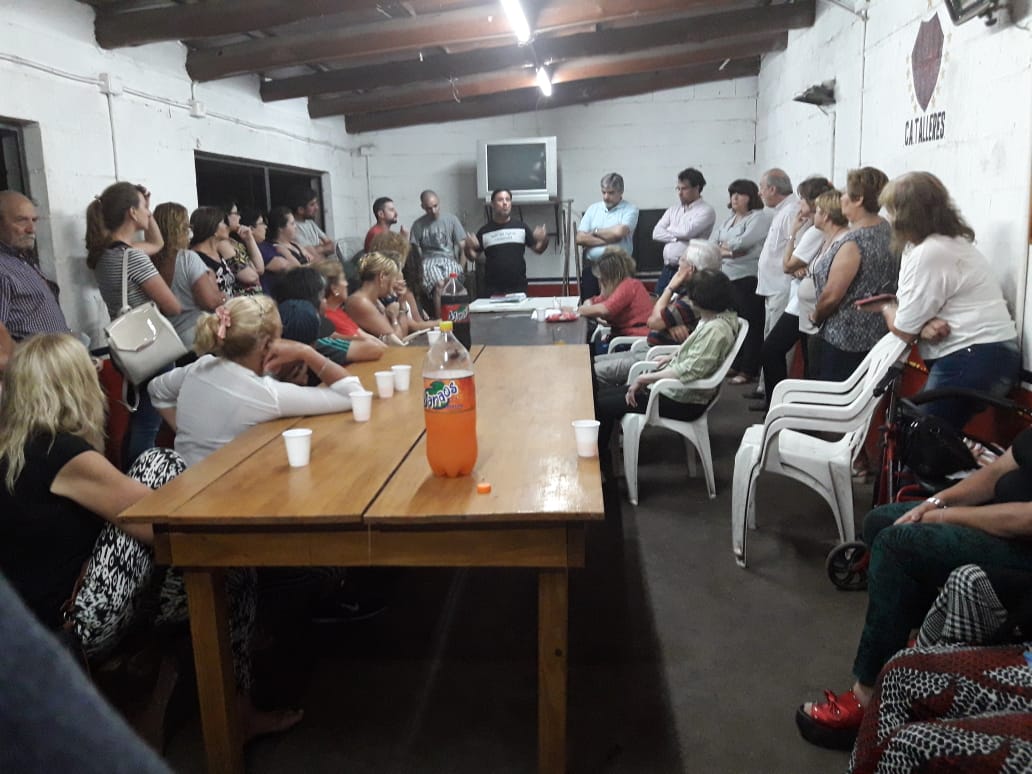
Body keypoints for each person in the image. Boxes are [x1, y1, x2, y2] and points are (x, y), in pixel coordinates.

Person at [0, 333, 300, 740]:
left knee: (213, 565)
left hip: (38, 619)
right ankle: (235, 713)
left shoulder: (16, 449)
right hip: (77, 622)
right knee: (164, 468)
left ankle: (170, 690)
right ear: (74, 385)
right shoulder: (61, 452)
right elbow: (157, 524)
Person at [796, 427, 1032, 751]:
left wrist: (947, 517)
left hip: (1023, 547)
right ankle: (919, 651)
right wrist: (937, 502)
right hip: (999, 522)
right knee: (880, 523)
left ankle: (869, 698)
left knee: (897, 546)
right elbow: (996, 471)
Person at [864, 171, 1019, 430]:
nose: (888, 218)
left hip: (974, 357)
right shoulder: (940, 244)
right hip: (985, 356)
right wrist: (922, 326)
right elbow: (917, 314)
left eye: (891, 210)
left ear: (906, 214)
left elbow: (903, 327)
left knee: (920, 437)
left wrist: (887, 307)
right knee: (923, 433)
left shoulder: (930, 251)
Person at [149, 295, 364, 467]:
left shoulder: (200, 366)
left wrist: (187, 433)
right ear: (266, 345)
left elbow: (156, 389)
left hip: (187, 484)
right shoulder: (264, 393)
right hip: (226, 496)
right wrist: (306, 352)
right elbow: (354, 395)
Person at [594, 269, 739, 466]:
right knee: (602, 399)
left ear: (703, 300)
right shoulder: (719, 319)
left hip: (682, 401)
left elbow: (691, 369)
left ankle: (601, 463)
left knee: (600, 405)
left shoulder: (716, 330)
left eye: (693, 297)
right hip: (676, 392)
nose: (691, 301)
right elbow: (699, 354)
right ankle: (605, 458)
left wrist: (645, 378)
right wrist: (672, 355)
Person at [87, 182, 181, 468]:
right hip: (149, 344)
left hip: (124, 346)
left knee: (139, 417)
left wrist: (146, 209)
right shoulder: (134, 257)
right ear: (131, 212)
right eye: (144, 208)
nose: (149, 213)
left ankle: (132, 470)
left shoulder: (105, 255)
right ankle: (141, 476)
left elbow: (157, 244)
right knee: (148, 423)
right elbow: (172, 306)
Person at [593, 239, 721, 387]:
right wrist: (669, 323)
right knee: (590, 364)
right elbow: (657, 318)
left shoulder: (693, 301)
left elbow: (653, 321)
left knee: (592, 373)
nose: (678, 263)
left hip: (658, 357)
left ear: (690, 269)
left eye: (682, 259)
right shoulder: (688, 292)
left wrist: (670, 287)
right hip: (648, 349)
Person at [754, 176, 834, 409]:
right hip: (801, 298)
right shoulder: (815, 228)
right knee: (807, 359)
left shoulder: (815, 231)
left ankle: (777, 405)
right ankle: (783, 405)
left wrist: (792, 233)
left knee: (772, 349)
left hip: (804, 304)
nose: (799, 205)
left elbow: (787, 264)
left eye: (802, 200)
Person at [810, 167, 894, 382]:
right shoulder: (888, 230)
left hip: (844, 340)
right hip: (878, 334)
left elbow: (832, 296)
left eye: (846, 193)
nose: (842, 197)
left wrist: (816, 316)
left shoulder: (854, 242)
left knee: (833, 395)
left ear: (859, 199)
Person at [0, 190, 69, 371]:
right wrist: (34, 367)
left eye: (34, 220)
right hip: (37, 375)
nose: (31, 229)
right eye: (21, 220)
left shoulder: (21, 259)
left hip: (57, 368)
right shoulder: (2, 268)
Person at [714, 179, 772, 385]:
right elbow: (715, 242)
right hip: (728, 278)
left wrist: (727, 248)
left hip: (748, 278)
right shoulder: (729, 220)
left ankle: (749, 369)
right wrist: (729, 251)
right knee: (736, 324)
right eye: (733, 194)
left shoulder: (758, 217)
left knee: (751, 324)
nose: (735, 198)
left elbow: (743, 243)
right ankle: (737, 363)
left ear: (751, 197)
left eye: (740, 194)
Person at [749, 168, 799, 399]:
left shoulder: (792, 211)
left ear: (772, 188)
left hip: (783, 285)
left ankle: (777, 396)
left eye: (761, 188)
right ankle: (765, 388)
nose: (759, 193)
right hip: (772, 285)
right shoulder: (781, 211)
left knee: (776, 346)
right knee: (768, 338)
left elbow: (795, 249)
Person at [279, 264, 386, 364]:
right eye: (322, 296)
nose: (325, 301)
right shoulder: (318, 339)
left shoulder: (283, 326)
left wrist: (338, 337)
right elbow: (374, 349)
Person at [152, 202, 223, 350]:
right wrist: (223, 297)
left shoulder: (148, 261)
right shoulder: (187, 258)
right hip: (197, 336)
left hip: (168, 341)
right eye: (186, 226)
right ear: (180, 229)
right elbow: (209, 302)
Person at [795, 189, 851, 376]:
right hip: (811, 320)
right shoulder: (827, 238)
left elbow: (835, 287)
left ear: (826, 216)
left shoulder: (843, 240)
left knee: (818, 373)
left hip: (822, 322)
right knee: (811, 369)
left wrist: (818, 315)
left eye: (817, 211)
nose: (814, 214)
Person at [464, 188, 548, 296]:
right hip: (492, 291)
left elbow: (539, 249)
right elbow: (472, 257)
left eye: (507, 199)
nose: (505, 203)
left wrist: (544, 239)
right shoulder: (484, 231)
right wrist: (468, 246)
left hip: (518, 288)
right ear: (493, 204)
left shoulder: (521, 227)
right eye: (500, 200)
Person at [651, 168, 716, 296]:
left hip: (690, 271)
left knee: (682, 305)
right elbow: (656, 233)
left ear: (697, 188)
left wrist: (669, 229)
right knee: (658, 300)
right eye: (678, 189)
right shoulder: (673, 210)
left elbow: (687, 232)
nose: (680, 193)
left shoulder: (706, 210)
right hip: (667, 269)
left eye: (684, 189)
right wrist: (676, 238)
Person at [575, 172, 639, 301]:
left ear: (621, 192)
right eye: (603, 192)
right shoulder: (593, 209)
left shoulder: (630, 209)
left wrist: (595, 231)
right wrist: (611, 238)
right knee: (589, 305)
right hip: (592, 269)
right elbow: (579, 238)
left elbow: (619, 232)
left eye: (611, 193)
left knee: (617, 307)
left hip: (619, 269)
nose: (606, 197)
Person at [345, 252, 423, 345]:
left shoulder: (374, 301)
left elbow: (401, 335)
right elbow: (396, 339)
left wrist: (402, 303)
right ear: (382, 277)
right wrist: (394, 318)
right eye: (393, 278)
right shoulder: (360, 302)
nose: (395, 283)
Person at [577, 247, 652, 341]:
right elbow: (592, 301)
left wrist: (579, 310)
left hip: (636, 339)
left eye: (602, 278)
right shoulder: (616, 288)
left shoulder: (629, 285)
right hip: (625, 338)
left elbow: (605, 309)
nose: (600, 282)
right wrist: (588, 307)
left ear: (610, 275)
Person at [409, 190, 468, 296]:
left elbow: (464, 247)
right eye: (429, 208)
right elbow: (414, 251)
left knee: (450, 282)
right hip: (429, 261)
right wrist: (419, 271)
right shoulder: (418, 225)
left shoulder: (451, 219)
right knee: (439, 284)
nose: (433, 211)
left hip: (449, 259)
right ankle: (439, 307)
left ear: (439, 202)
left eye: (435, 206)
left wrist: (461, 267)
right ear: (423, 207)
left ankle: (452, 306)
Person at [216, 201, 264, 296]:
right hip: (241, 299)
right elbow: (250, 276)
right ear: (225, 216)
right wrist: (252, 270)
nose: (239, 217)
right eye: (236, 213)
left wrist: (249, 239)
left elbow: (260, 268)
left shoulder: (233, 241)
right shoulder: (222, 243)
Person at [189, 206, 237, 299]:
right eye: (223, 223)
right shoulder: (198, 259)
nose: (227, 226)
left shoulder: (217, 252)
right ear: (213, 228)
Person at [259, 205, 306, 294]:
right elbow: (298, 271)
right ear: (280, 228)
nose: (296, 226)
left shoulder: (295, 245)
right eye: (292, 224)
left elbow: (314, 261)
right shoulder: (275, 248)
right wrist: (287, 254)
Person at [290, 187, 335, 260]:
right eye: (312, 204)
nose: (317, 208)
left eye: (316, 203)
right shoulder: (293, 227)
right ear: (300, 210)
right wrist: (322, 247)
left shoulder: (310, 223)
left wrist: (318, 248)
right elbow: (312, 255)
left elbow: (332, 246)